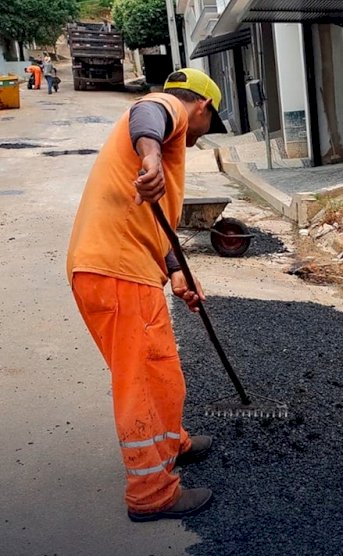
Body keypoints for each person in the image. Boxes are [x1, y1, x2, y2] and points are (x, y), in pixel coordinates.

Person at [66, 68, 227, 522]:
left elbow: (159, 229)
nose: (205, 130)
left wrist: (178, 272)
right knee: (140, 378)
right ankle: (151, 492)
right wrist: (152, 159)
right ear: (203, 107)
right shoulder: (167, 109)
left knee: (159, 370)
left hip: (117, 267)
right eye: (210, 120)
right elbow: (149, 113)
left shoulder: (168, 134)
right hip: (116, 270)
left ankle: (171, 441)